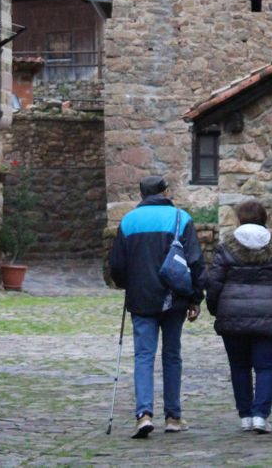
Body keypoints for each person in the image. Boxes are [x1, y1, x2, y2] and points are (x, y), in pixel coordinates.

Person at [108, 175, 205, 439]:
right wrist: (196, 297)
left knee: (143, 356)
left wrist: (127, 283)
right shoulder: (180, 218)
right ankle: (173, 416)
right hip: (175, 297)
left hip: (141, 298)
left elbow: (116, 264)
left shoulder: (128, 222)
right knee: (172, 356)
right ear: (165, 192)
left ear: (141, 195)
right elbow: (195, 261)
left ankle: (144, 415)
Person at [205, 199, 272, 434]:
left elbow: (214, 280)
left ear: (239, 219)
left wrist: (215, 307)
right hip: (270, 313)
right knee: (267, 367)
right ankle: (261, 414)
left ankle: (246, 415)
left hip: (233, 313)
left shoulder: (226, 244)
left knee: (239, 366)